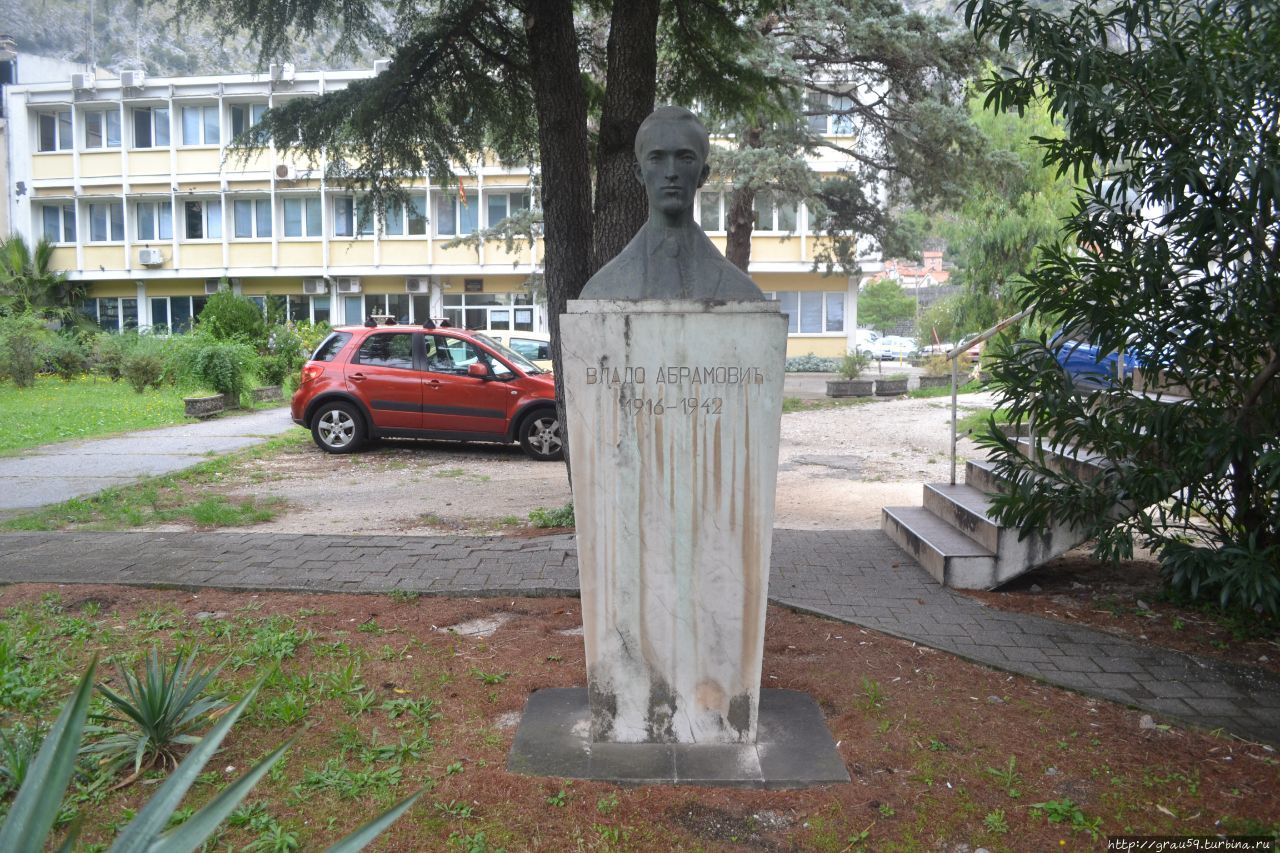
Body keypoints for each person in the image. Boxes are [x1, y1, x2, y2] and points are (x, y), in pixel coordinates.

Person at [580, 106, 763, 301]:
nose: (671, 172)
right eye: (657, 158)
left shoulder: (741, 291)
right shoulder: (601, 289)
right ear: (639, 173)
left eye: (685, 158)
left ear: (702, 174)